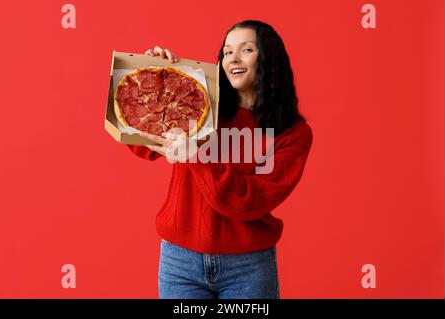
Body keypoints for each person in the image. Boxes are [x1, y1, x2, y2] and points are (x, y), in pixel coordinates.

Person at [126, 20, 313, 299]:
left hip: (248, 266)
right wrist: (155, 83)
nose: (233, 59)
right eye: (227, 52)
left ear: (269, 57)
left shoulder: (293, 134)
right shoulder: (201, 103)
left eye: (246, 50)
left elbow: (252, 200)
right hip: (180, 262)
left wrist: (195, 156)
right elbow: (145, 145)